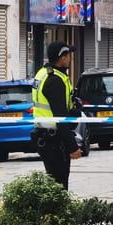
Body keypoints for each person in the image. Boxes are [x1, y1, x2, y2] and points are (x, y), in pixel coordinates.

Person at [31, 41, 82, 189]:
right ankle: (56, 212)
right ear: (62, 58)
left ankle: (54, 211)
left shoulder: (43, 73)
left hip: (46, 136)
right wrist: (73, 147)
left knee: (54, 183)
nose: (70, 58)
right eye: (68, 55)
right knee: (59, 185)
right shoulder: (55, 81)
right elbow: (60, 118)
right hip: (54, 139)